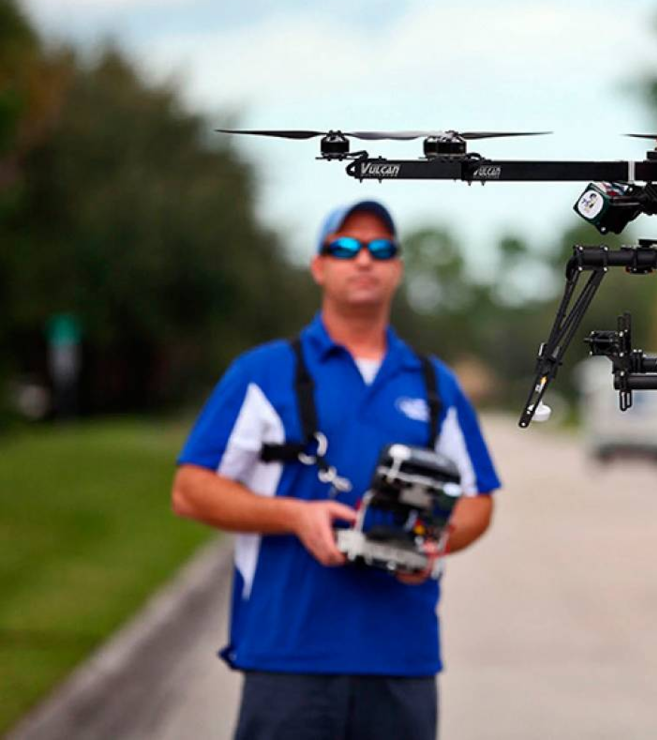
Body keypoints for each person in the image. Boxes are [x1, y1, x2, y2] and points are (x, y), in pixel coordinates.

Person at [171, 199, 499, 740]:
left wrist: (433, 541)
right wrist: (294, 515)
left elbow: (479, 499)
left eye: (381, 249)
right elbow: (190, 490)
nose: (363, 259)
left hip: (402, 658)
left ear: (397, 267)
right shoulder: (263, 372)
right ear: (319, 266)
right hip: (287, 654)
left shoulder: (436, 383)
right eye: (345, 247)